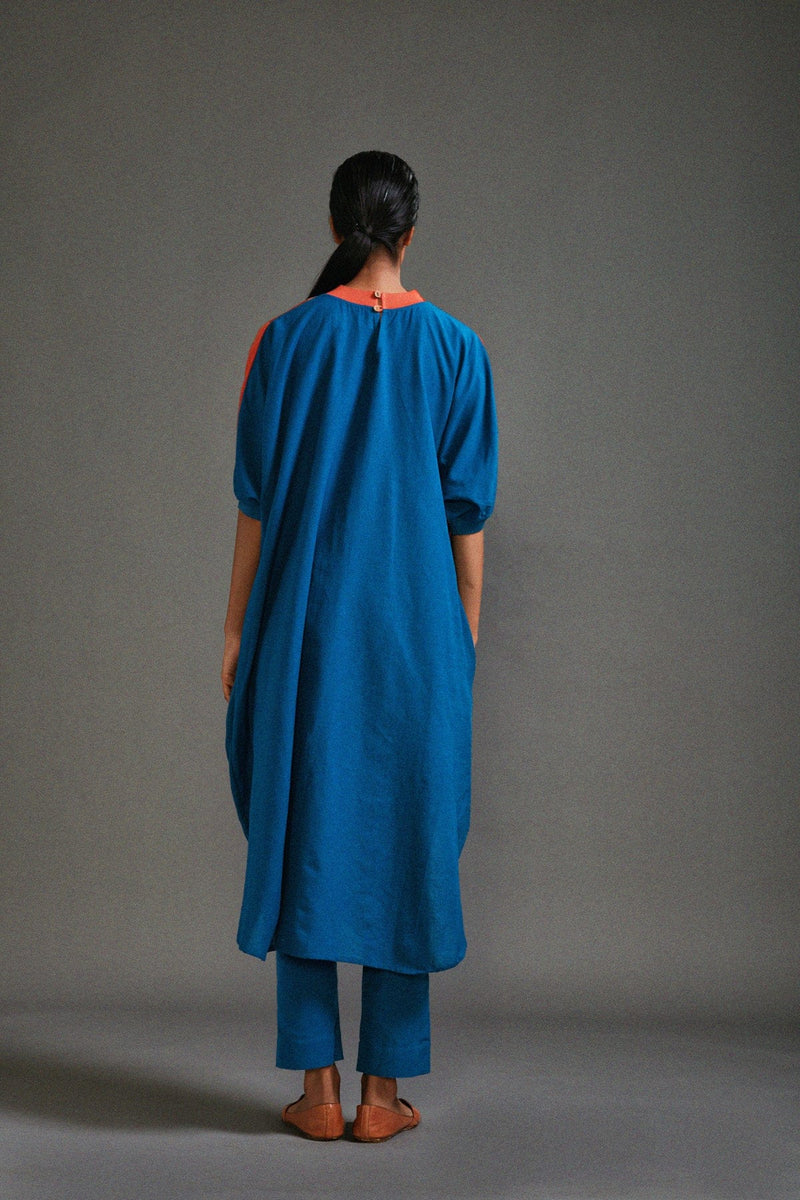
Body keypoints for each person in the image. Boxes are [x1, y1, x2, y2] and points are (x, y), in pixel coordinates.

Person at [222, 151, 498, 1142]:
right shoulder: (458, 349)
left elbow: (256, 503)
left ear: (335, 225)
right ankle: (384, 1098)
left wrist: (233, 630)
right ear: (410, 232)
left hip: (304, 628)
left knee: (304, 826)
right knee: (406, 839)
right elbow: (466, 516)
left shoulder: (283, 339)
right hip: (418, 633)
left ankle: (319, 1091)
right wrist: (461, 639)